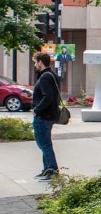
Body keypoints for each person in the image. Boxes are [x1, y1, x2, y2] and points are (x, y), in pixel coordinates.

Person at [31, 52, 60, 180]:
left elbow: (48, 97)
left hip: (43, 116)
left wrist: (36, 109)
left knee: (43, 144)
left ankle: (52, 170)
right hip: (49, 115)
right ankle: (46, 169)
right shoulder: (51, 75)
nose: (35, 65)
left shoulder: (45, 77)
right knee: (44, 143)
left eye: (35, 62)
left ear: (40, 62)